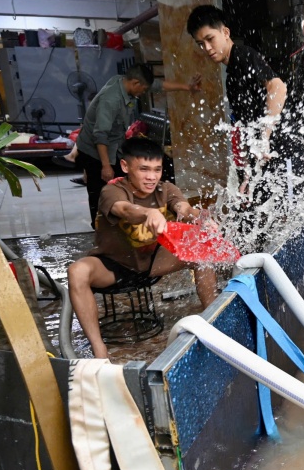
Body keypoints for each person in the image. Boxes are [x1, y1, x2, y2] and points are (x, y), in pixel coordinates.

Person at [67, 137, 218, 359]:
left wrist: (201, 218)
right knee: (77, 271)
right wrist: (148, 213)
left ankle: (214, 320)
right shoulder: (112, 191)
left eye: (156, 170)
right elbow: (125, 210)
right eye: (144, 169)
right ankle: (99, 350)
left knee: (202, 249)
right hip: (114, 265)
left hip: (154, 262)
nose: (151, 177)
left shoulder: (165, 189)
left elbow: (183, 207)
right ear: (126, 167)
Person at [186, 4, 303, 250]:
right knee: (251, 214)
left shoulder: (243, 56)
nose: (206, 48)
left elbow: (278, 87)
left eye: (210, 39)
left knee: (283, 220)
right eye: (200, 44)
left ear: (225, 32)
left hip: (277, 152)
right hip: (259, 158)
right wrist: (247, 172)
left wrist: (265, 136)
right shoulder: (232, 70)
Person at [74, 64, 201, 225]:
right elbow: (100, 135)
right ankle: (99, 226)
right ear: (135, 83)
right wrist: (106, 165)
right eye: (142, 90)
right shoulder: (111, 99)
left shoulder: (125, 83)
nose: (143, 94)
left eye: (157, 170)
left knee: (121, 181)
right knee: (99, 187)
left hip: (115, 144)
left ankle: (129, 219)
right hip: (95, 149)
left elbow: (158, 86)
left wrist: (187, 87)